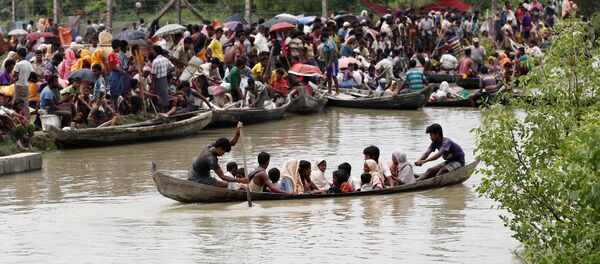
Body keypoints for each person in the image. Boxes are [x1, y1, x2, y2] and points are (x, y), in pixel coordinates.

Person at [188, 123, 248, 187]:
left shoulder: (213, 146)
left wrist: (238, 133)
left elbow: (232, 143)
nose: (223, 155)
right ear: (219, 149)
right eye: (223, 152)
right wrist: (239, 180)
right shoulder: (211, 159)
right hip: (196, 177)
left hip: (202, 173)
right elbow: (222, 176)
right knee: (224, 185)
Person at [151, 46, 174, 112]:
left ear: (156, 52)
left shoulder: (155, 61)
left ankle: (161, 114)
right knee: (164, 97)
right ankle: (165, 112)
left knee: (159, 98)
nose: (152, 52)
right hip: (164, 79)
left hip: (158, 81)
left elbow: (153, 75)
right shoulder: (165, 59)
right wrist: (167, 72)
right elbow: (173, 67)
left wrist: (152, 84)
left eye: (153, 51)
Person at [12, 48, 33, 118]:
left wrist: (10, 82)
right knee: (25, 103)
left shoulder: (18, 64)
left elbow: (14, 76)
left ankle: (15, 118)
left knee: (16, 102)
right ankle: (27, 117)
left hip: (19, 85)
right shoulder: (28, 63)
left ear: (18, 55)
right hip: (26, 85)